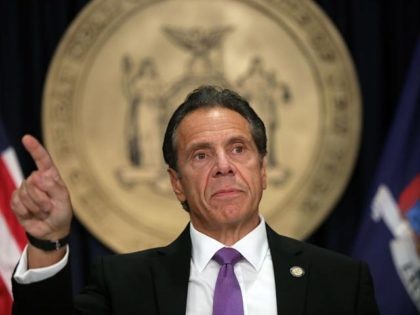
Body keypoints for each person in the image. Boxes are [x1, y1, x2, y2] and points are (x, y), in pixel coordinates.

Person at [10, 86, 379, 314]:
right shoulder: (124, 285)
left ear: (263, 170)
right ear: (177, 184)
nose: (224, 166)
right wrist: (47, 241)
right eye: (201, 155)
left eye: (238, 149)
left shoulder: (340, 281)